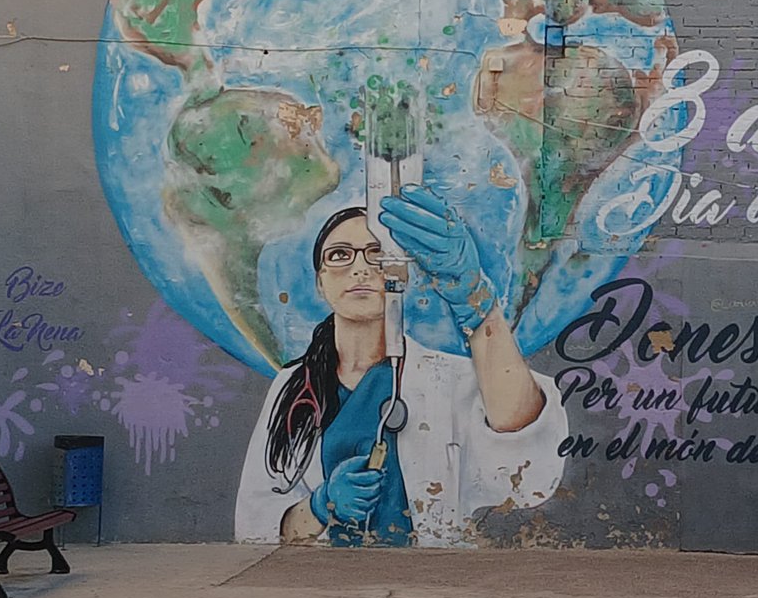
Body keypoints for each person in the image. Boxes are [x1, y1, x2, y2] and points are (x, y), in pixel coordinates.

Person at [235, 186, 568, 546]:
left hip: (426, 577)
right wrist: (319, 507)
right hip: (324, 578)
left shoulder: (447, 379)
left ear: (401, 275)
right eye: (340, 255)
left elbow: (529, 475)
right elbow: (258, 525)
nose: (360, 268)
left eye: (377, 253)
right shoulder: (292, 387)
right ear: (320, 280)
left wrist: (478, 303)